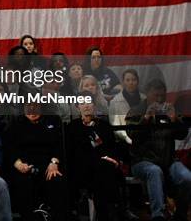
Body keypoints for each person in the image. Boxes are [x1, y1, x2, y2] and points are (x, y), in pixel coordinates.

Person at [126, 79, 191, 221]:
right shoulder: (137, 110)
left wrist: (175, 120)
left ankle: (180, 214)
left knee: (186, 177)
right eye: (156, 95)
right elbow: (131, 134)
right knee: (155, 171)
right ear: (148, 94)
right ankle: (158, 216)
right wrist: (146, 119)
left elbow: (182, 134)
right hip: (142, 161)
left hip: (168, 160)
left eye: (162, 95)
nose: (160, 99)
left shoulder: (169, 109)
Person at [67, 91, 123, 220]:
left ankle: (110, 212)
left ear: (94, 105)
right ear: (77, 106)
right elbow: (72, 153)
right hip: (81, 168)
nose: (86, 106)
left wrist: (113, 159)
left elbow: (112, 149)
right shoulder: (72, 127)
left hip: (104, 167)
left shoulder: (104, 126)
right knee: (102, 170)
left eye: (89, 102)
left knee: (106, 170)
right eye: (82, 103)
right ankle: (105, 213)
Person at [8, 102, 67, 221]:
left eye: (35, 106)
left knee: (56, 179)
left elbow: (59, 145)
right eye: (28, 106)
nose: (32, 110)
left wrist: (54, 162)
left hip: (49, 164)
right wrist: (18, 164)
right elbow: (9, 147)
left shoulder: (53, 120)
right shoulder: (16, 123)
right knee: (22, 182)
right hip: (24, 165)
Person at [109, 69, 145, 145]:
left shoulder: (144, 99)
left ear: (137, 81)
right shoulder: (115, 102)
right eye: (127, 80)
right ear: (123, 82)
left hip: (143, 141)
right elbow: (115, 126)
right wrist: (127, 138)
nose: (131, 83)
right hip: (123, 142)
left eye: (133, 80)